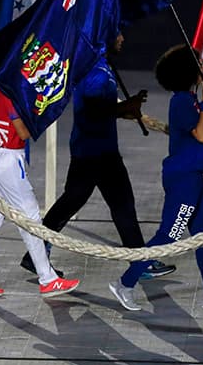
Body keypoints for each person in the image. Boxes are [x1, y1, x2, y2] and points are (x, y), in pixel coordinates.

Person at [20, 34, 175, 280]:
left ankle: (35, 254)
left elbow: (99, 109)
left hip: (94, 149)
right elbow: (92, 110)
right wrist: (125, 107)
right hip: (95, 152)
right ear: (105, 38)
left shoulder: (100, 66)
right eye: (118, 34)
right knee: (117, 204)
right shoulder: (97, 71)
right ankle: (139, 261)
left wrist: (125, 111)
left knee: (86, 202)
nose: (123, 38)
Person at [108, 45, 203, 313]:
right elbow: (199, 135)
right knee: (169, 235)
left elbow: (196, 137)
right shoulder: (183, 101)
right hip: (184, 180)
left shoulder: (188, 100)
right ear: (189, 72)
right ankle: (125, 283)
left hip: (194, 176)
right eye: (198, 64)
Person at [0, 87, 80, 298]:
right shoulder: (12, 93)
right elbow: (24, 132)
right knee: (31, 218)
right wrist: (45, 108)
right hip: (9, 162)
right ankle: (48, 279)